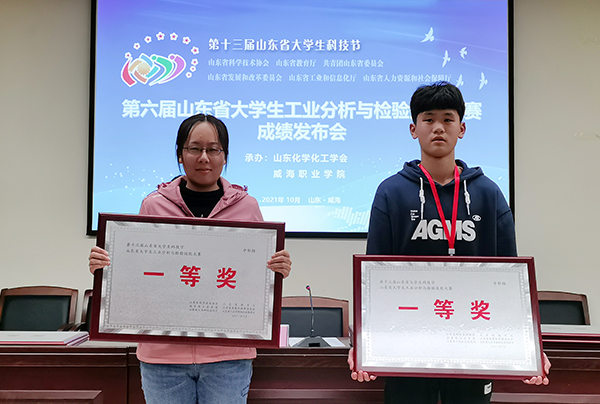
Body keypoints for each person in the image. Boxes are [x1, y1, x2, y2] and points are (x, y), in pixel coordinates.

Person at [347, 82, 550, 403]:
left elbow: (511, 277)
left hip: (474, 341)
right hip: (407, 342)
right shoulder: (391, 192)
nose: (438, 128)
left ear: (462, 129)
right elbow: (374, 275)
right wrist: (363, 342)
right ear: (413, 129)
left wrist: (529, 347)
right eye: (428, 119)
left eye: (447, 119)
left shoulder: (488, 193)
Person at [89, 113, 292, 404]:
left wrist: (276, 269)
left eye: (213, 149)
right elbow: (137, 273)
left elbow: (254, 277)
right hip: (163, 358)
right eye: (195, 148)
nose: (204, 157)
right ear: (180, 155)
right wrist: (106, 267)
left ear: (225, 156)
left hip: (227, 357)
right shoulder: (153, 205)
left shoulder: (247, 207)